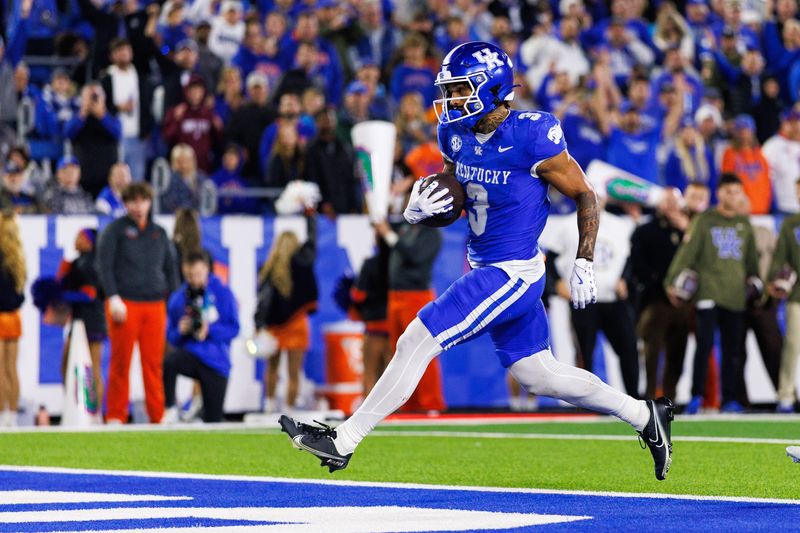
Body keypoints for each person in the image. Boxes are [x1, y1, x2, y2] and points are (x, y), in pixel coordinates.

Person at [280, 41, 674, 481]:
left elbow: (584, 192)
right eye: (447, 91)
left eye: (460, 90)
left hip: (511, 272)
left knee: (415, 339)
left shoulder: (531, 134)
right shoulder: (453, 133)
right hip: (488, 266)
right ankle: (645, 416)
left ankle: (344, 440)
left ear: (492, 89)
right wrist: (422, 209)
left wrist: (584, 260)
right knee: (540, 376)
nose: (450, 101)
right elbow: (456, 190)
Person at [665, 173, 761, 414]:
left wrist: (758, 286)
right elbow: (686, 254)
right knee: (704, 347)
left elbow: (752, 264)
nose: (733, 196)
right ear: (719, 193)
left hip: (736, 297)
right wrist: (671, 281)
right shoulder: (705, 221)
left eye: (737, 192)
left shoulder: (745, 224)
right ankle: (697, 396)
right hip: (707, 294)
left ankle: (730, 399)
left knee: (733, 351)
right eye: (728, 191)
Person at [96, 183, 178, 424]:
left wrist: (172, 302)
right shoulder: (114, 230)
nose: (138, 206)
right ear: (125, 204)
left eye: (143, 201)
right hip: (125, 304)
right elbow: (104, 266)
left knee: (153, 364)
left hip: (154, 306)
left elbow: (170, 270)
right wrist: (112, 297)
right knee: (120, 362)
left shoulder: (159, 233)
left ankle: (157, 415)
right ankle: (115, 415)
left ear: (150, 203)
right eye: (133, 201)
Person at [542, 196, 640, 397]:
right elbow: (550, 259)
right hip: (582, 299)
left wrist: (625, 279)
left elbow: (631, 257)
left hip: (613, 298)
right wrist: (556, 284)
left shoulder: (619, 225)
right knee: (585, 353)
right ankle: (588, 400)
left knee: (629, 349)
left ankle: (635, 398)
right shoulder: (568, 224)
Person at [375, 213, 446, 413]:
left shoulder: (432, 234)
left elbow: (414, 256)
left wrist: (388, 234)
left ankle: (431, 403)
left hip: (417, 296)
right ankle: (407, 403)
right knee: (399, 352)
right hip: (395, 294)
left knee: (423, 350)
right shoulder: (407, 228)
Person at [630, 188, 694, 400]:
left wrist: (687, 232)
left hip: (684, 302)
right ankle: (649, 396)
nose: (671, 206)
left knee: (678, 352)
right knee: (651, 351)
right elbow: (638, 266)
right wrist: (661, 286)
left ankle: (670, 397)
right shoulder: (645, 231)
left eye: (675, 202)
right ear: (659, 204)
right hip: (655, 301)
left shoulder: (690, 231)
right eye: (667, 201)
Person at [163, 251, 240, 423]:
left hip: (216, 362)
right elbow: (171, 337)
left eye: (198, 274)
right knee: (170, 362)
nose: (194, 280)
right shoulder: (178, 298)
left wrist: (210, 329)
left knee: (213, 420)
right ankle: (170, 408)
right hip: (193, 355)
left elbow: (234, 329)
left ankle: (200, 410)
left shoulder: (223, 292)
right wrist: (181, 331)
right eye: (189, 275)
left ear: (207, 269)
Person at [255, 212, 318, 413]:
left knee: (271, 368)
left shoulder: (268, 270)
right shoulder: (301, 266)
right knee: (294, 372)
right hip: (297, 323)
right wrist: (310, 217)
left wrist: (259, 325)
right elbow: (312, 246)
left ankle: (270, 404)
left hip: (275, 328)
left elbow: (262, 303)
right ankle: (289, 409)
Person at [56, 228, 106, 413]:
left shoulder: (91, 263)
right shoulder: (77, 262)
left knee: (92, 368)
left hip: (92, 322)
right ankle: (77, 407)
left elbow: (90, 294)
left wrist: (64, 295)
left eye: (81, 237)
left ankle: (94, 413)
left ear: (90, 242)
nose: (76, 239)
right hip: (77, 322)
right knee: (67, 365)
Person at [769, 178, 800, 412]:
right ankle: (786, 396)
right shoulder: (790, 224)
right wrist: (774, 279)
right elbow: (780, 257)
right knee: (792, 345)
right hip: (797, 295)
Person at [64, 83, 122, 198]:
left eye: (96, 96)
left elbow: (118, 133)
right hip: (83, 177)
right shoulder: (77, 114)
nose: (93, 100)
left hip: (107, 178)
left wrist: (102, 115)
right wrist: (83, 113)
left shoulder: (111, 113)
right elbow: (68, 133)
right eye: (89, 96)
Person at [0, 211, 25, 427]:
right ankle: (13, 414)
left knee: (0, 369)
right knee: (11, 368)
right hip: (14, 318)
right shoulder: (17, 258)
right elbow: (21, 295)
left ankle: (1, 414)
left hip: (0, 318)